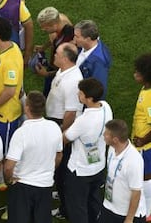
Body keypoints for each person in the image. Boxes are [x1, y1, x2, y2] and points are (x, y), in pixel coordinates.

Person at [4, 91, 63, 223]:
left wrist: (9, 180)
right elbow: (59, 155)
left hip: (22, 186)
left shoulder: (21, 133)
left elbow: (9, 167)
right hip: (45, 184)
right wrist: (49, 169)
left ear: (27, 108)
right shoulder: (54, 128)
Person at [63, 78, 113, 223]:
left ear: (89, 98)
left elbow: (66, 138)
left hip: (79, 171)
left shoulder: (83, 121)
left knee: (77, 207)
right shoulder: (105, 106)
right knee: (94, 201)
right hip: (98, 167)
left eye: (81, 93)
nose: (78, 94)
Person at [45, 42, 83, 220]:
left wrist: (61, 132)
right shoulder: (64, 71)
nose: (54, 55)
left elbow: (71, 112)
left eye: (57, 54)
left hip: (62, 124)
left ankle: (65, 208)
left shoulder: (73, 81)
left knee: (62, 168)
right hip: (56, 121)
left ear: (66, 59)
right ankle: (60, 193)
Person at [0, 16, 23, 192]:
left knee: (4, 152)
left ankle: (2, 180)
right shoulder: (8, 48)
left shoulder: (10, 59)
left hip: (5, 115)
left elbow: (9, 91)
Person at [100, 119, 147, 223]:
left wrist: (129, 219)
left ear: (115, 139)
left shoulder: (133, 161)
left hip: (126, 214)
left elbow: (136, 192)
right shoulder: (112, 149)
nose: (103, 135)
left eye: (106, 134)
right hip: (109, 207)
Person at [34, 6, 74, 96]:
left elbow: (68, 68)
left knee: (51, 92)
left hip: (58, 72)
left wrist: (47, 74)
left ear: (54, 25)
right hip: (55, 64)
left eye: (45, 28)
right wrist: (43, 47)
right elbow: (54, 39)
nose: (43, 30)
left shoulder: (67, 43)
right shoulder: (60, 19)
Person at [132, 53, 151, 220]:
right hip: (142, 145)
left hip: (146, 147)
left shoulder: (150, 96)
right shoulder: (146, 88)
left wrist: (144, 139)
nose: (134, 74)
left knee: (145, 178)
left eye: (137, 71)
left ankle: (147, 211)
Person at [74, 20, 112, 98]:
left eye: (77, 36)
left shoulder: (99, 62)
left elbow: (98, 90)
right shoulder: (83, 46)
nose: (74, 39)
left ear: (87, 39)